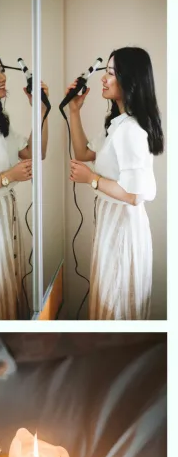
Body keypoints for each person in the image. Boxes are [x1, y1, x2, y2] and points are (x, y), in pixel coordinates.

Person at [65, 47, 163, 320]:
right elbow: (84, 153)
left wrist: (92, 180)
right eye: (104, 72)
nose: (103, 79)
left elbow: (134, 195)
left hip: (123, 229)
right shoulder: (118, 125)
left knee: (115, 305)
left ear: (129, 79)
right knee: (108, 300)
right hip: (112, 224)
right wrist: (74, 111)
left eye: (110, 73)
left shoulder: (132, 131)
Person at [0, 52, 48, 320]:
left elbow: (35, 153)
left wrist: (41, 112)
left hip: (7, 214)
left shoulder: (1, 122)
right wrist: (8, 177)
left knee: (10, 283)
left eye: (2, 70)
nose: (2, 78)